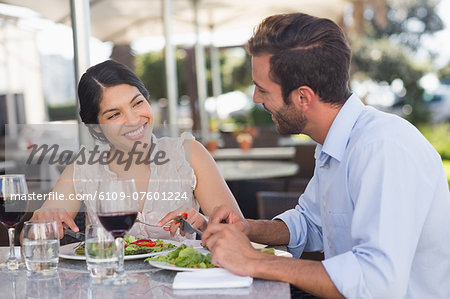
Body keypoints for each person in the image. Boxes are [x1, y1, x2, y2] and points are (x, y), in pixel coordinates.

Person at [202, 13, 450, 299]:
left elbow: (376, 283)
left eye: (262, 89)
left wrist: (254, 261)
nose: (257, 99)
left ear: (303, 98)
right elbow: (310, 222)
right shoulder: (336, 142)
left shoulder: (382, 148)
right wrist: (246, 228)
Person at [30, 60, 242, 241]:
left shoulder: (188, 154)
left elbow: (239, 231)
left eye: (137, 103)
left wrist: (204, 224)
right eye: (114, 115)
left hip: (180, 284)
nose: (133, 120)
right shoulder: (84, 168)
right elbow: (31, 234)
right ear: (97, 127)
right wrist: (40, 224)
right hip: (110, 285)